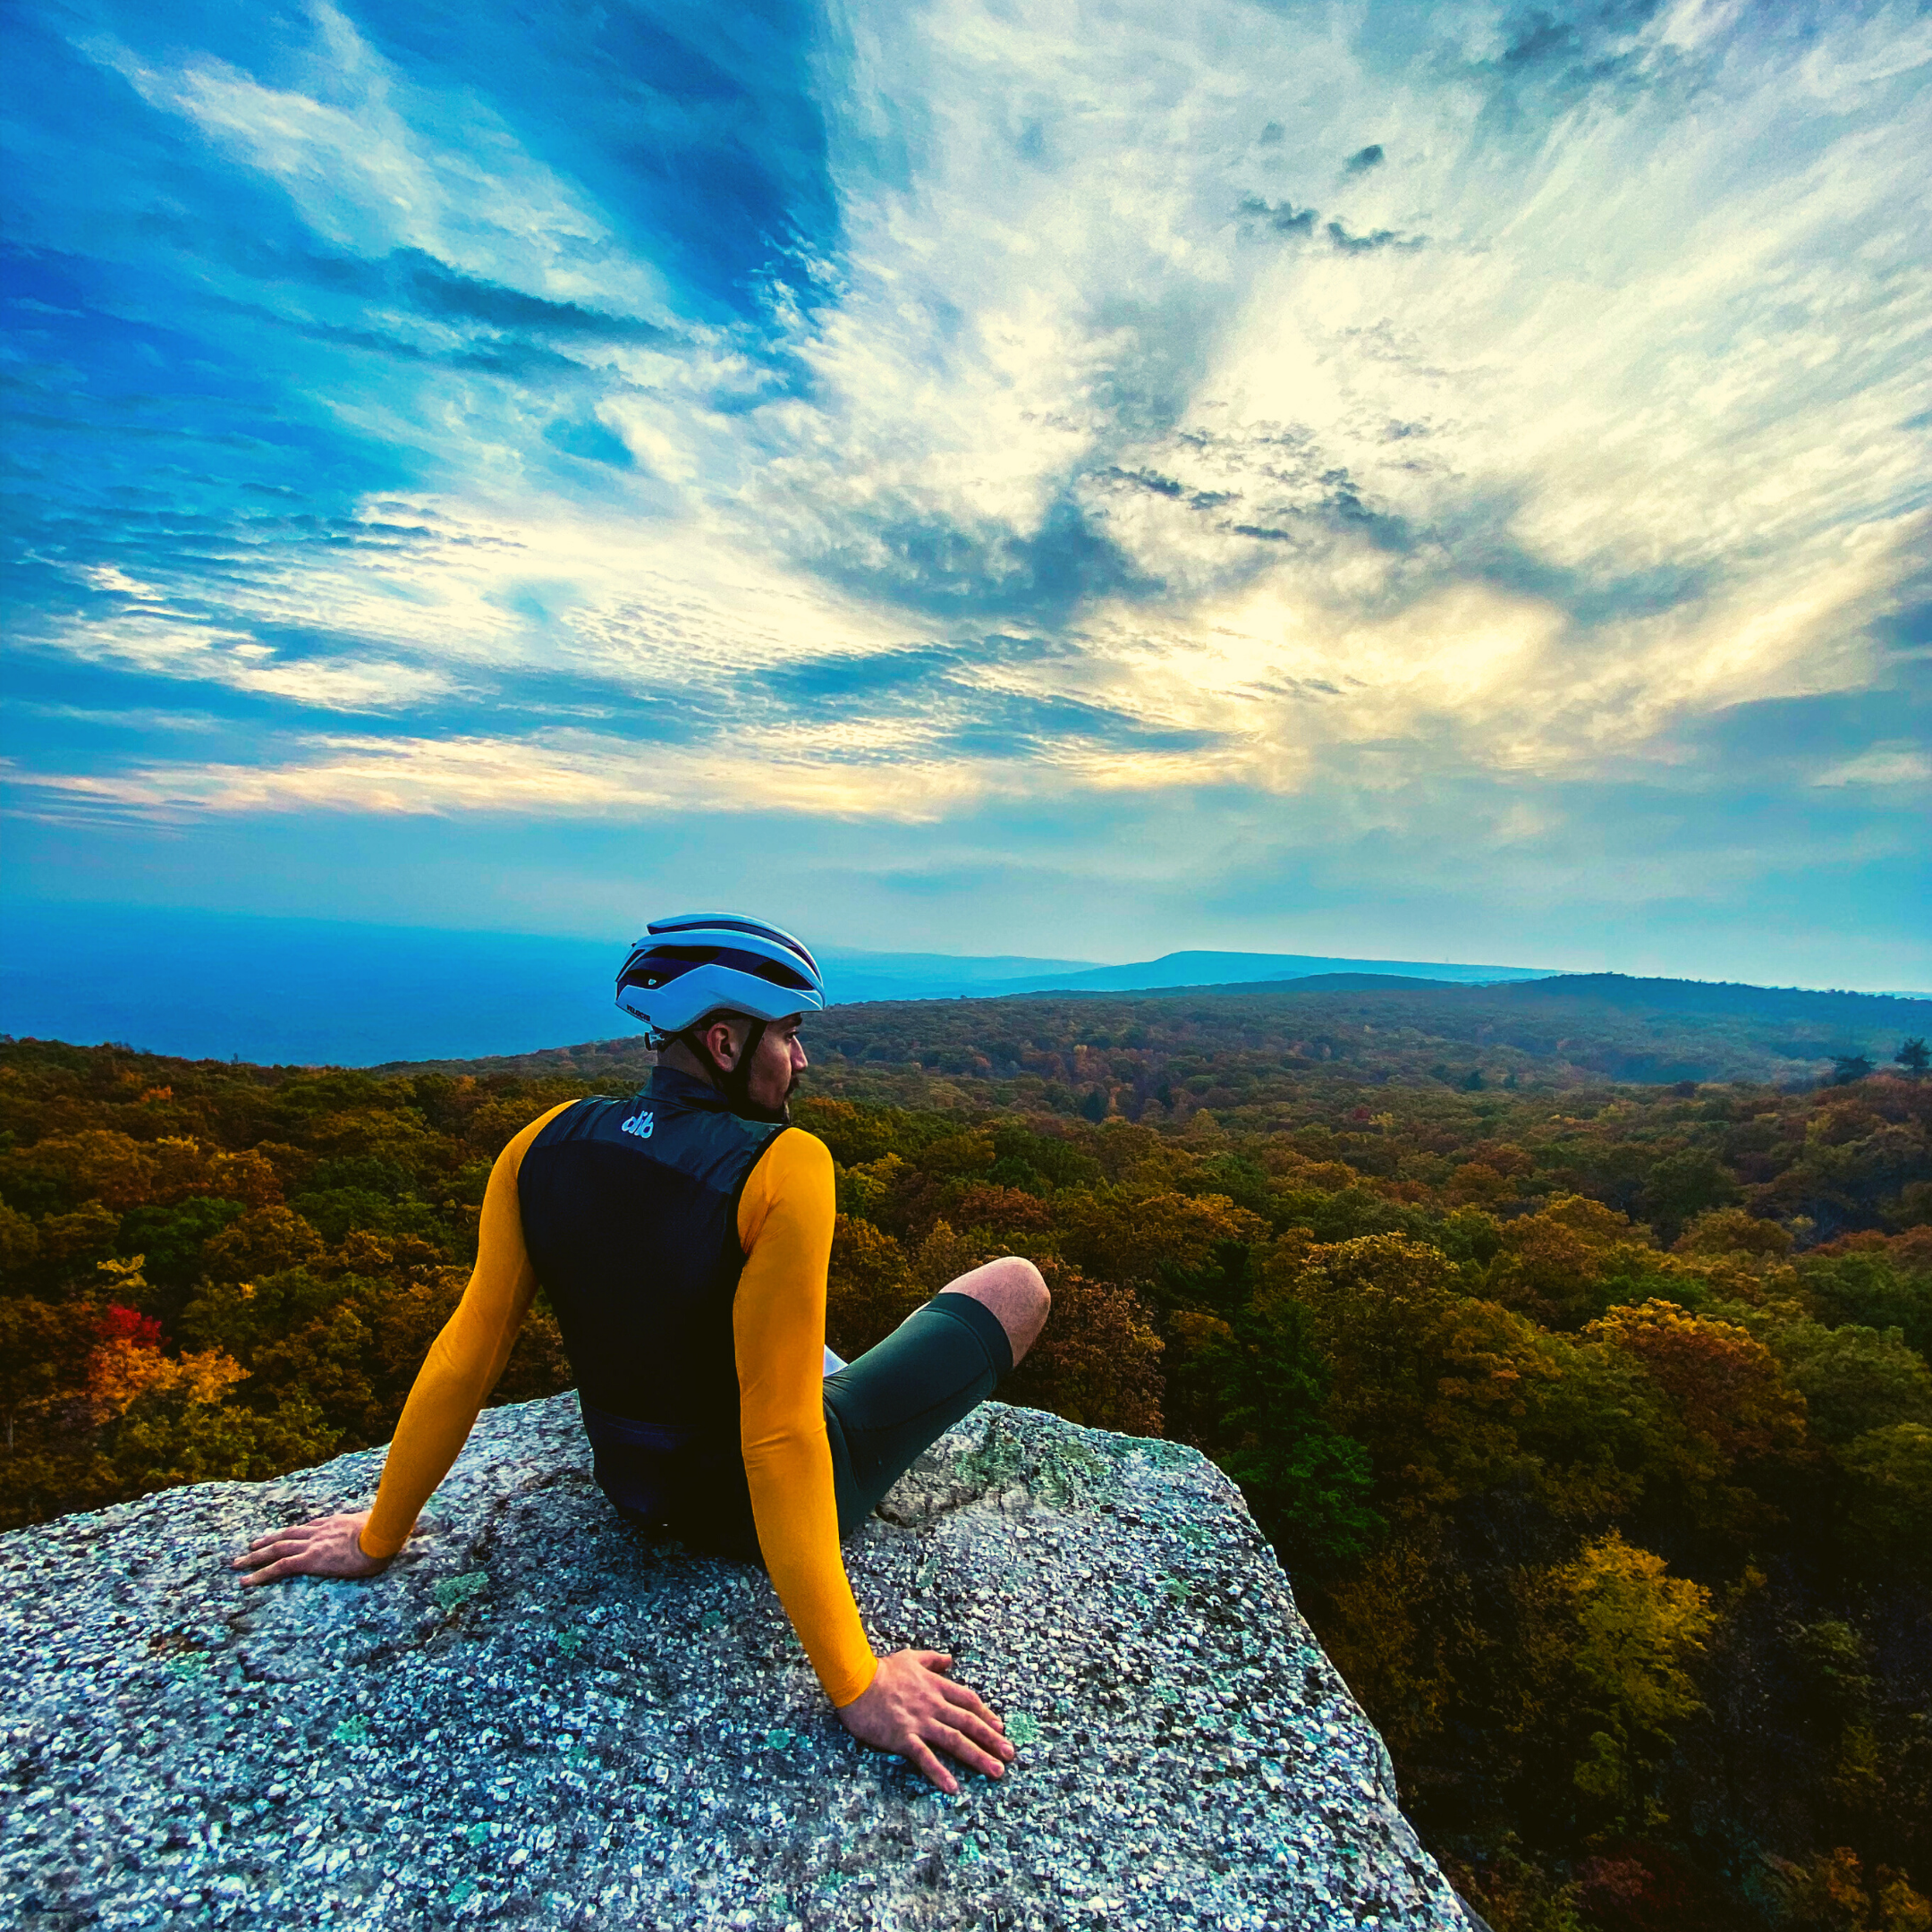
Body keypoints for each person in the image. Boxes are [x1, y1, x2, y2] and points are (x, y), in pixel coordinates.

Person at [233, 912, 1049, 1794]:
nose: (800, 1062)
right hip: (741, 1509)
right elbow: (779, 1441)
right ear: (726, 1040)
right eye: (787, 1036)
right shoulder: (788, 1166)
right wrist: (855, 1682)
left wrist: (377, 1533)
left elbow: (467, 1352)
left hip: (632, 1487)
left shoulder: (539, 1144)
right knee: (1016, 1287)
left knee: (794, 1342)